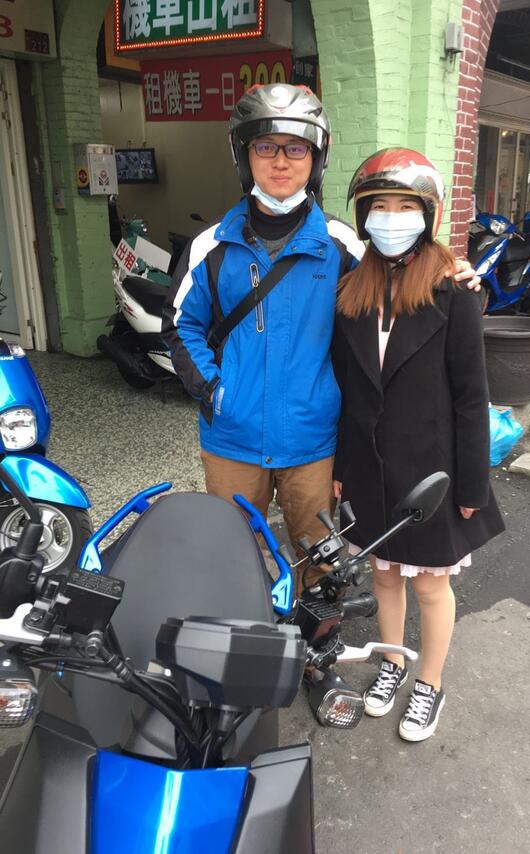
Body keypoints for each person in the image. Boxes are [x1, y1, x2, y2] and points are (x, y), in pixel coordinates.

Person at [162, 84, 479, 592]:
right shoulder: (211, 245)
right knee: (230, 553)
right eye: (266, 146)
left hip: (313, 441)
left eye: (296, 148)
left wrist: (453, 273)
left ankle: (316, 638)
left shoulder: (343, 245)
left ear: (316, 158)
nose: (280, 161)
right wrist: (215, 391)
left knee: (320, 561)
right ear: (244, 155)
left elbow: (401, 282)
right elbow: (182, 325)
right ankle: (243, 633)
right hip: (232, 438)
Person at [332, 148, 505, 742]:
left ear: (427, 214)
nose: (391, 217)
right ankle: (392, 662)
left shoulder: (453, 290)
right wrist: (343, 467)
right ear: (363, 216)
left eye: (405, 206)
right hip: (369, 465)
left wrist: (473, 485)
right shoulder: (351, 290)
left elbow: (471, 396)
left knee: (431, 583)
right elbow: (349, 390)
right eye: (380, 206)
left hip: (433, 472)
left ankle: (429, 682)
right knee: (384, 577)